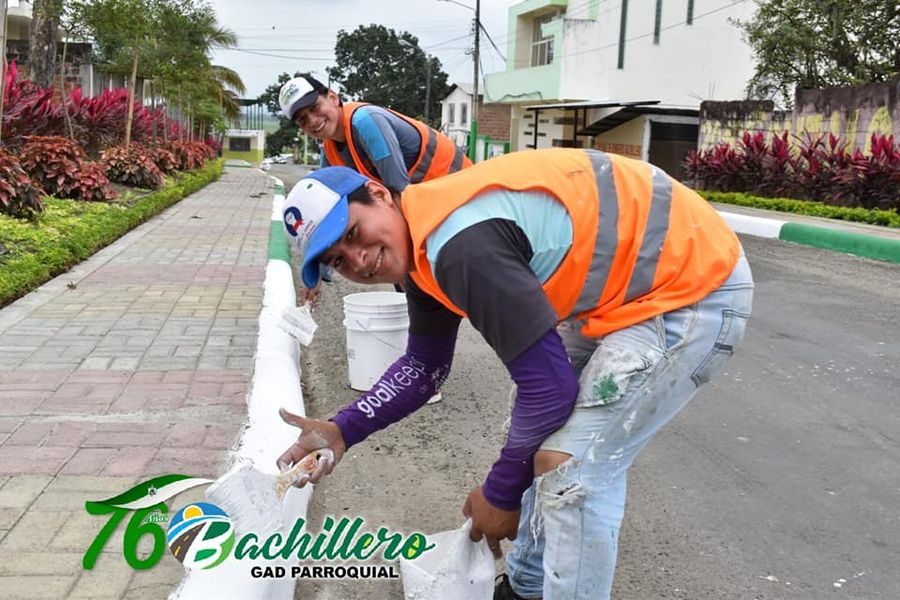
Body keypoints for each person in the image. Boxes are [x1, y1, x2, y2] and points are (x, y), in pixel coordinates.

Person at [276, 148, 754, 600]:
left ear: (380, 194)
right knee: (532, 437)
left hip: (692, 283)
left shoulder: (459, 245)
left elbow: (549, 391)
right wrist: (343, 429)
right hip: (626, 292)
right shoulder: (419, 246)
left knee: (570, 467)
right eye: (338, 260)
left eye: (353, 234)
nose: (359, 259)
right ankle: (527, 588)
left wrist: (500, 495)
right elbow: (425, 366)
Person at [279, 74, 472, 302]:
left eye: (314, 108)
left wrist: (403, 272)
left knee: (436, 283)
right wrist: (317, 274)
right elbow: (323, 214)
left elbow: (400, 192)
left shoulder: (366, 121)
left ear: (332, 97)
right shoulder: (330, 151)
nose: (312, 121)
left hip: (460, 201)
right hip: (430, 210)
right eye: (303, 120)